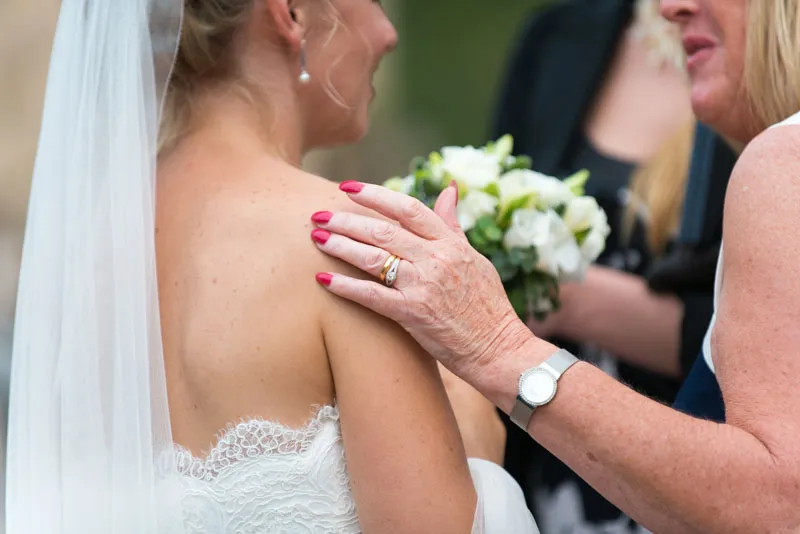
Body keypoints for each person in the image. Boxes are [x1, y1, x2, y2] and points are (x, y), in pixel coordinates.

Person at [6, 0, 538, 533]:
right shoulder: (351, 243)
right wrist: (477, 447)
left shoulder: (81, 259)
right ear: (291, 13)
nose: (387, 34)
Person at [312, 0, 800, 530]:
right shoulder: (559, 38)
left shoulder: (784, 161)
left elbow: (777, 506)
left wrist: (496, 344)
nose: (670, 7)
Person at [489, 1, 698, 530]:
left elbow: (754, 326)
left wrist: (560, 298)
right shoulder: (558, 35)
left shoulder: (762, 59)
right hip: (545, 471)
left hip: (691, 472)